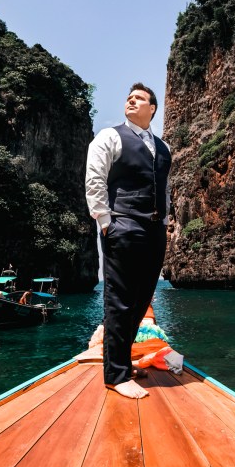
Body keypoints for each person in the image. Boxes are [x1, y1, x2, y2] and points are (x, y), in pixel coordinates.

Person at [85, 82, 171, 399]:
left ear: (152, 108)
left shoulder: (164, 148)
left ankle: (122, 361)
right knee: (119, 299)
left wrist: (164, 220)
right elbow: (94, 176)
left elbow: (165, 189)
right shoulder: (111, 136)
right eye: (129, 98)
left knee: (141, 296)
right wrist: (105, 220)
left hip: (154, 229)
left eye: (139, 98)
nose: (131, 101)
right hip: (122, 223)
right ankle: (116, 375)